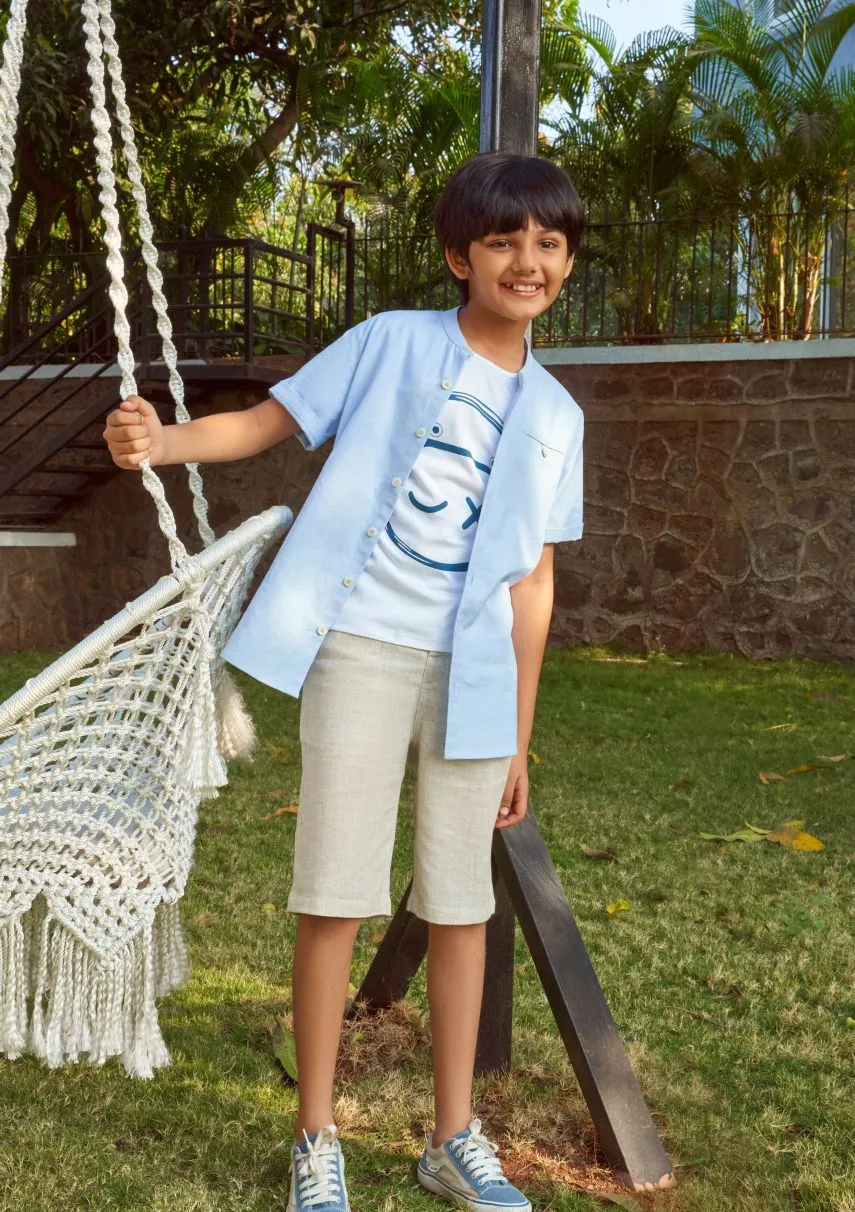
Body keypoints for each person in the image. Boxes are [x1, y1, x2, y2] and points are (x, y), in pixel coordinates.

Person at [104, 152, 586, 1212]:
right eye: (504, 239)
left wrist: (518, 734)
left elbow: (533, 586)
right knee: (335, 893)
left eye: (549, 242)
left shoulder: (556, 417)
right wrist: (163, 440)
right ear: (460, 255)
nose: (528, 259)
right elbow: (269, 424)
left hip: (473, 678)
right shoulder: (391, 343)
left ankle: (451, 1136)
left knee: (462, 907)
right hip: (360, 645)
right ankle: (314, 1137)